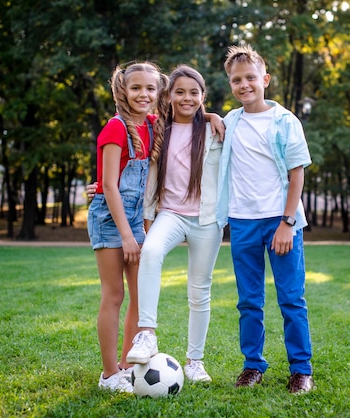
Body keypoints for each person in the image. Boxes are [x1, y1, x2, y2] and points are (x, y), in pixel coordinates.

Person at [215, 44, 315, 394]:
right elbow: (198, 128)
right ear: (230, 84)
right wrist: (210, 116)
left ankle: (301, 370)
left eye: (250, 78)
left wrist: (288, 222)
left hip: (280, 221)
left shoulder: (285, 121)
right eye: (236, 80)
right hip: (241, 222)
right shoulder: (230, 121)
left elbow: (297, 172)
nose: (244, 85)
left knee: (291, 298)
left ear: (265, 79)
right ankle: (252, 366)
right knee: (248, 301)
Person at [125, 65, 223, 384]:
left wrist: (212, 116)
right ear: (168, 96)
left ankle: (195, 361)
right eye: (179, 92)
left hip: (207, 220)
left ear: (203, 96)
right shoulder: (158, 129)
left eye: (194, 92)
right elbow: (132, 157)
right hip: (170, 213)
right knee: (150, 252)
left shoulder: (214, 129)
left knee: (199, 290)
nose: (186, 98)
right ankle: (147, 333)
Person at [87, 61, 169, 393]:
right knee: (114, 294)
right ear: (123, 90)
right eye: (136, 87)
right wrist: (127, 236)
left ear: (158, 91)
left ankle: (126, 367)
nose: (143, 94)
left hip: (138, 220)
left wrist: (211, 116)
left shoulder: (154, 126)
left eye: (150, 88)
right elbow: (108, 186)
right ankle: (109, 374)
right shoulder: (116, 128)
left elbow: (190, 118)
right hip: (110, 220)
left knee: (140, 296)